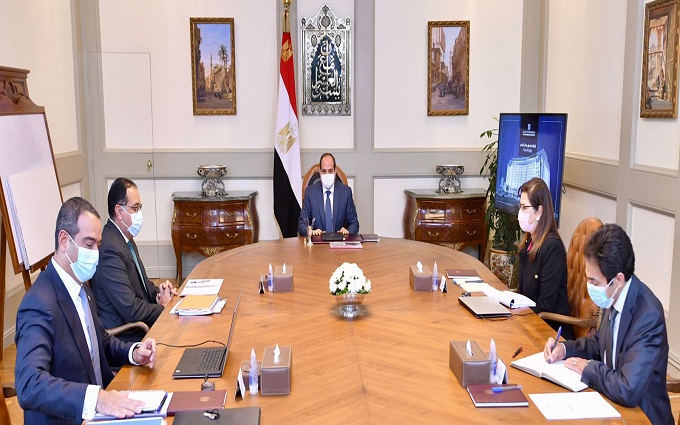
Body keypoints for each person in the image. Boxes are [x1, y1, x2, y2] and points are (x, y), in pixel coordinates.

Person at [14, 197, 158, 424]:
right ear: (64, 240)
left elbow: (99, 340)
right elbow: (29, 384)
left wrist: (133, 352)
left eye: (98, 245)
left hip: (100, 412)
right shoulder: (38, 303)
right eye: (89, 244)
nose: (95, 253)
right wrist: (96, 399)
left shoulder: (81, 287)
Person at [544, 224, 672, 424]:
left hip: (641, 417)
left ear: (618, 279)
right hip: (610, 405)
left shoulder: (648, 316)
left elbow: (628, 389)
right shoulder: (613, 295)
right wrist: (564, 348)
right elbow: (599, 344)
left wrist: (588, 368)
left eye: (594, 282)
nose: (590, 287)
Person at [90, 178, 175, 342]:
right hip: (127, 335)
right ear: (119, 211)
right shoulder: (109, 249)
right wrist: (163, 308)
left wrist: (159, 293)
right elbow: (131, 309)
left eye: (140, 207)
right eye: (135, 208)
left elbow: (141, 284)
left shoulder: (124, 238)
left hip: (139, 325)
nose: (139, 214)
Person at [517, 178, 573, 340]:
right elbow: (522, 293)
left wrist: (516, 312)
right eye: (520, 206)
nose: (520, 212)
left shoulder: (552, 247)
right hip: (528, 321)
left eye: (525, 207)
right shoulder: (528, 243)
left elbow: (545, 306)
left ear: (539, 211)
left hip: (550, 332)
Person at [298, 153, 359, 237]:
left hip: (339, 242)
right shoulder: (310, 192)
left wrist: (347, 231)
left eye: (330, 171)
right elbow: (301, 225)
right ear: (319, 172)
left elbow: (354, 223)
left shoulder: (346, 192)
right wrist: (310, 231)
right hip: (317, 242)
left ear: (335, 171)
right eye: (324, 171)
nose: (327, 174)